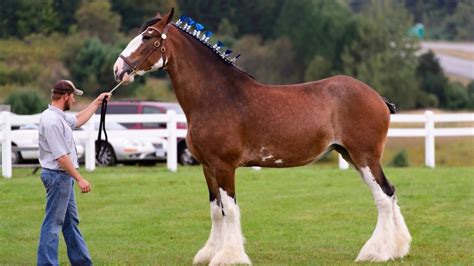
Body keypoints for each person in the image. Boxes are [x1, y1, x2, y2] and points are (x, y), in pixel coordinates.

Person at [37, 80, 111, 266]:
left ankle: (82, 262)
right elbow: (61, 156)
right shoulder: (52, 121)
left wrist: (97, 102)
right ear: (66, 96)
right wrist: (79, 179)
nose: (75, 100)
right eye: (74, 96)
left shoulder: (59, 116)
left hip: (62, 177)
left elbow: (78, 119)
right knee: (52, 225)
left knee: (70, 223)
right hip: (58, 176)